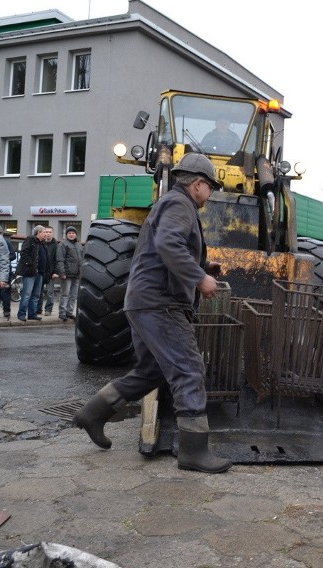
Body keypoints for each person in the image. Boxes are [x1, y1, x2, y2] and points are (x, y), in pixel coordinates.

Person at [73, 153, 230, 474]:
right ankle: (193, 452)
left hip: (144, 302)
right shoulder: (179, 205)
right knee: (189, 370)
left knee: (151, 372)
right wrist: (199, 278)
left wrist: (202, 265)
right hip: (162, 304)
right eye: (210, 188)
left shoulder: (171, 204)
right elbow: (169, 244)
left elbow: (165, 249)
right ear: (198, 184)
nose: (209, 194)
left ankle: (92, 414)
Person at [16, 225, 46, 322]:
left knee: (36, 295)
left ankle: (32, 314)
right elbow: (24, 253)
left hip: (39, 272)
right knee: (27, 294)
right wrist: (30, 264)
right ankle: (21, 314)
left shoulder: (42, 243)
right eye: (44, 232)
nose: (45, 234)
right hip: (30, 272)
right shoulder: (30, 240)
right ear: (38, 232)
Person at [56, 226, 84, 322]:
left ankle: (69, 312)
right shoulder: (63, 244)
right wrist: (62, 272)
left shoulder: (79, 245)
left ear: (76, 234)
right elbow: (60, 259)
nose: (71, 234)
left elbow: (82, 259)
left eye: (73, 233)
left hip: (76, 274)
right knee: (65, 294)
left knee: (73, 295)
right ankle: (62, 313)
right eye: (69, 233)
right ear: (66, 234)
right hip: (67, 274)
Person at [0, 224, 17, 319]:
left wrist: (4, 259)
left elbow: (13, 255)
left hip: (5, 271)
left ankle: (6, 311)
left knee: (5, 291)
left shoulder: (7, 242)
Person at [36, 226, 58, 316]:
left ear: (52, 233)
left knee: (50, 293)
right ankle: (38, 309)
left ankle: (48, 309)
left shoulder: (56, 245)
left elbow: (57, 259)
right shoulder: (40, 243)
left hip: (51, 273)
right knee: (39, 292)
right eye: (46, 232)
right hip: (41, 272)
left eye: (50, 232)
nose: (48, 234)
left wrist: (56, 272)